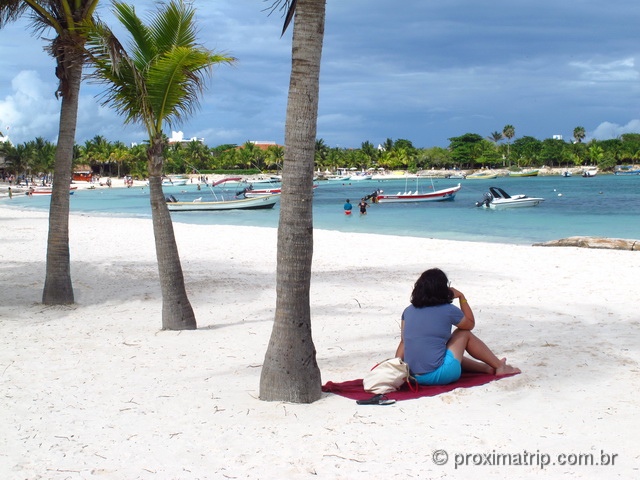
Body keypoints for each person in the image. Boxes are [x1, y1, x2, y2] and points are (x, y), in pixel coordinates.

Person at [395, 268, 520, 385]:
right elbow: (469, 324)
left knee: (441, 350)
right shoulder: (448, 310)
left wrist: (396, 368)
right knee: (463, 334)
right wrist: (462, 297)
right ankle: (499, 366)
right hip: (439, 376)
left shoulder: (408, 311)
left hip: (412, 377)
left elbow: (404, 342)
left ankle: (487, 368)